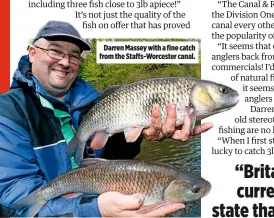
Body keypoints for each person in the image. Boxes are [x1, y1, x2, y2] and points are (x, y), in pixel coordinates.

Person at [0, 21, 213, 217]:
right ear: (32, 53)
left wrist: (141, 133)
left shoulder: (95, 102)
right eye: (55, 50)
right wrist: (94, 211)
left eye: (74, 55)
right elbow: (12, 200)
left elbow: (111, 160)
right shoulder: (8, 111)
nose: (65, 61)